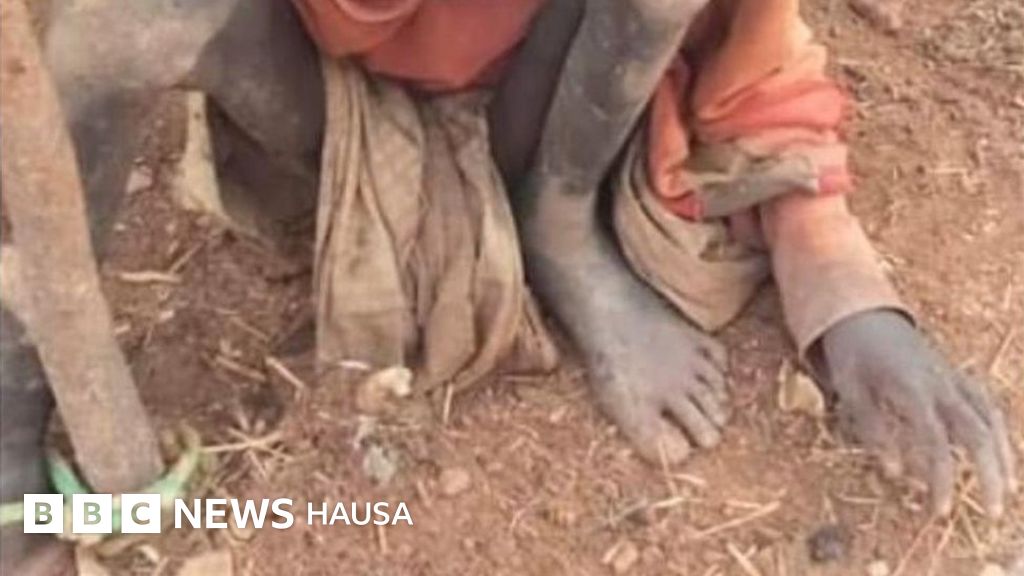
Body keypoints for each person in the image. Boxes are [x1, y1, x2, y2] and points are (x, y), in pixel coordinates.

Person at [0, 0, 1015, 573]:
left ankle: (559, 234)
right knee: (115, 28)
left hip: (559, 111)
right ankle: (11, 421)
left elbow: (755, 64)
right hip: (335, 105)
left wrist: (845, 295)